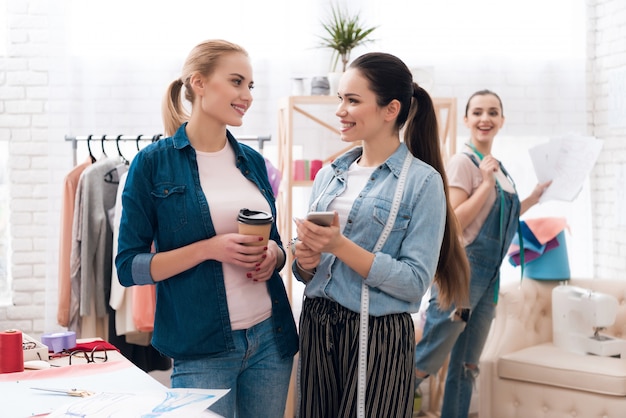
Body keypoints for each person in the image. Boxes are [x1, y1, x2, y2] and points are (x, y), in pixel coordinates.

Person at [115, 39, 298, 418]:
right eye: (236, 82)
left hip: (269, 340)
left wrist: (274, 256)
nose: (246, 95)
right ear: (198, 83)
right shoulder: (152, 165)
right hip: (201, 350)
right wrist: (207, 249)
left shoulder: (252, 162)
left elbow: (276, 243)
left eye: (250, 85)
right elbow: (128, 266)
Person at [291, 52, 471, 418]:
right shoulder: (328, 175)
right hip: (316, 325)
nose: (340, 110)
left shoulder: (423, 182)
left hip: (378, 336)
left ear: (391, 109)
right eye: (340, 98)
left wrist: (340, 246)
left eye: (353, 100)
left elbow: (414, 282)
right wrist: (304, 260)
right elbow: (308, 271)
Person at [413, 89, 551, 418]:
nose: (484, 118)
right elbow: (455, 220)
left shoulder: (500, 169)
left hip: (488, 282)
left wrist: (531, 197)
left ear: (502, 120)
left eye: (492, 112)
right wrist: (486, 185)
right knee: (427, 359)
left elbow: (504, 216)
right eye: (477, 112)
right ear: (466, 120)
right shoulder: (464, 163)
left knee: (466, 367)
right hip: (462, 276)